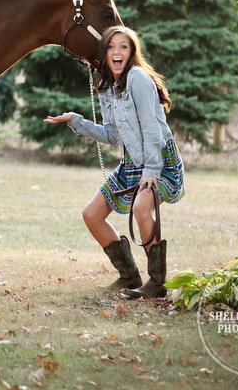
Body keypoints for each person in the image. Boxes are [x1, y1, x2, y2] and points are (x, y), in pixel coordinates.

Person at [44, 26, 184, 298]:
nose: (117, 51)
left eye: (124, 46)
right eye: (111, 47)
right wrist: (76, 121)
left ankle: (157, 284)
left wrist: (152, 170)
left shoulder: (138, 79)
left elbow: (153, 127)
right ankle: (129, 276)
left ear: (131, 53)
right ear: (105, 53)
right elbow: (111, 135)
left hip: (159, 161)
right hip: (131, 162)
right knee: (91, 214)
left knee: (142, 208)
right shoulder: (106, 86)